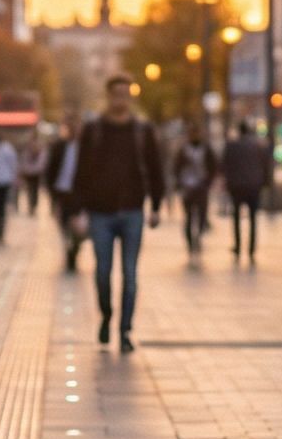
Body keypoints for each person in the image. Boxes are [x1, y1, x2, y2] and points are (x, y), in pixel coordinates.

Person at [73, 74, 164, 352]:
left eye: (125, 94)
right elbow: (81, 172)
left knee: (130, 274)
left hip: (133, 212)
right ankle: (106, 316)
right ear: (108, 96)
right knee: (102, 272)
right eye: (116, 94)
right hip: (100, 213)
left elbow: (155, 169)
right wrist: (78, 210)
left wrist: (157, 206)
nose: (120, 100)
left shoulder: (142, 131)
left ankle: (125, 329)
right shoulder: (94, 130)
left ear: (130, 97)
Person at [221, 120, 271, 262]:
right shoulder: (258, 146)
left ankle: (238, 247)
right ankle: (251, 249)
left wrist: (228, 182)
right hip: (254, 186)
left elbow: (225, 165)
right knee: (253, 218)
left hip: (237, 187)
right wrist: (264, 182)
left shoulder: (232, 146)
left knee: (236, 217)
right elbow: (265, 165)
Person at [173, 122, 217, 261]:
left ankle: (198, 238)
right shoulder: (183, 150)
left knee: (201, 216)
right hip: (188, 187)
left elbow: (213, 166)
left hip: (201, 187)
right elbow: (176, 167)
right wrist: (180, 183)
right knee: (189, 217)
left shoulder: (206, 149)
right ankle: (191, 243)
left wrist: (208, 181)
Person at [45, 120, 85, 272]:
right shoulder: (59, 147)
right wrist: (52, 193)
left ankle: (74, 249)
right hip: (62, 192)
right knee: (64, 224)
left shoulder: (85, 148)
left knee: (78, 227)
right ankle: (68, 250)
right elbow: (51, 170)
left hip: (79, 194)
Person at [18, 137, 47, 215]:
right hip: (29, 174)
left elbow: (41, 164)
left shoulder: (40, 153)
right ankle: (31, 205)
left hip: (36, 174)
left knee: (35, 190)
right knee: (30, 190)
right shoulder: (26, 153)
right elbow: (23, 162)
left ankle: (33, 205)